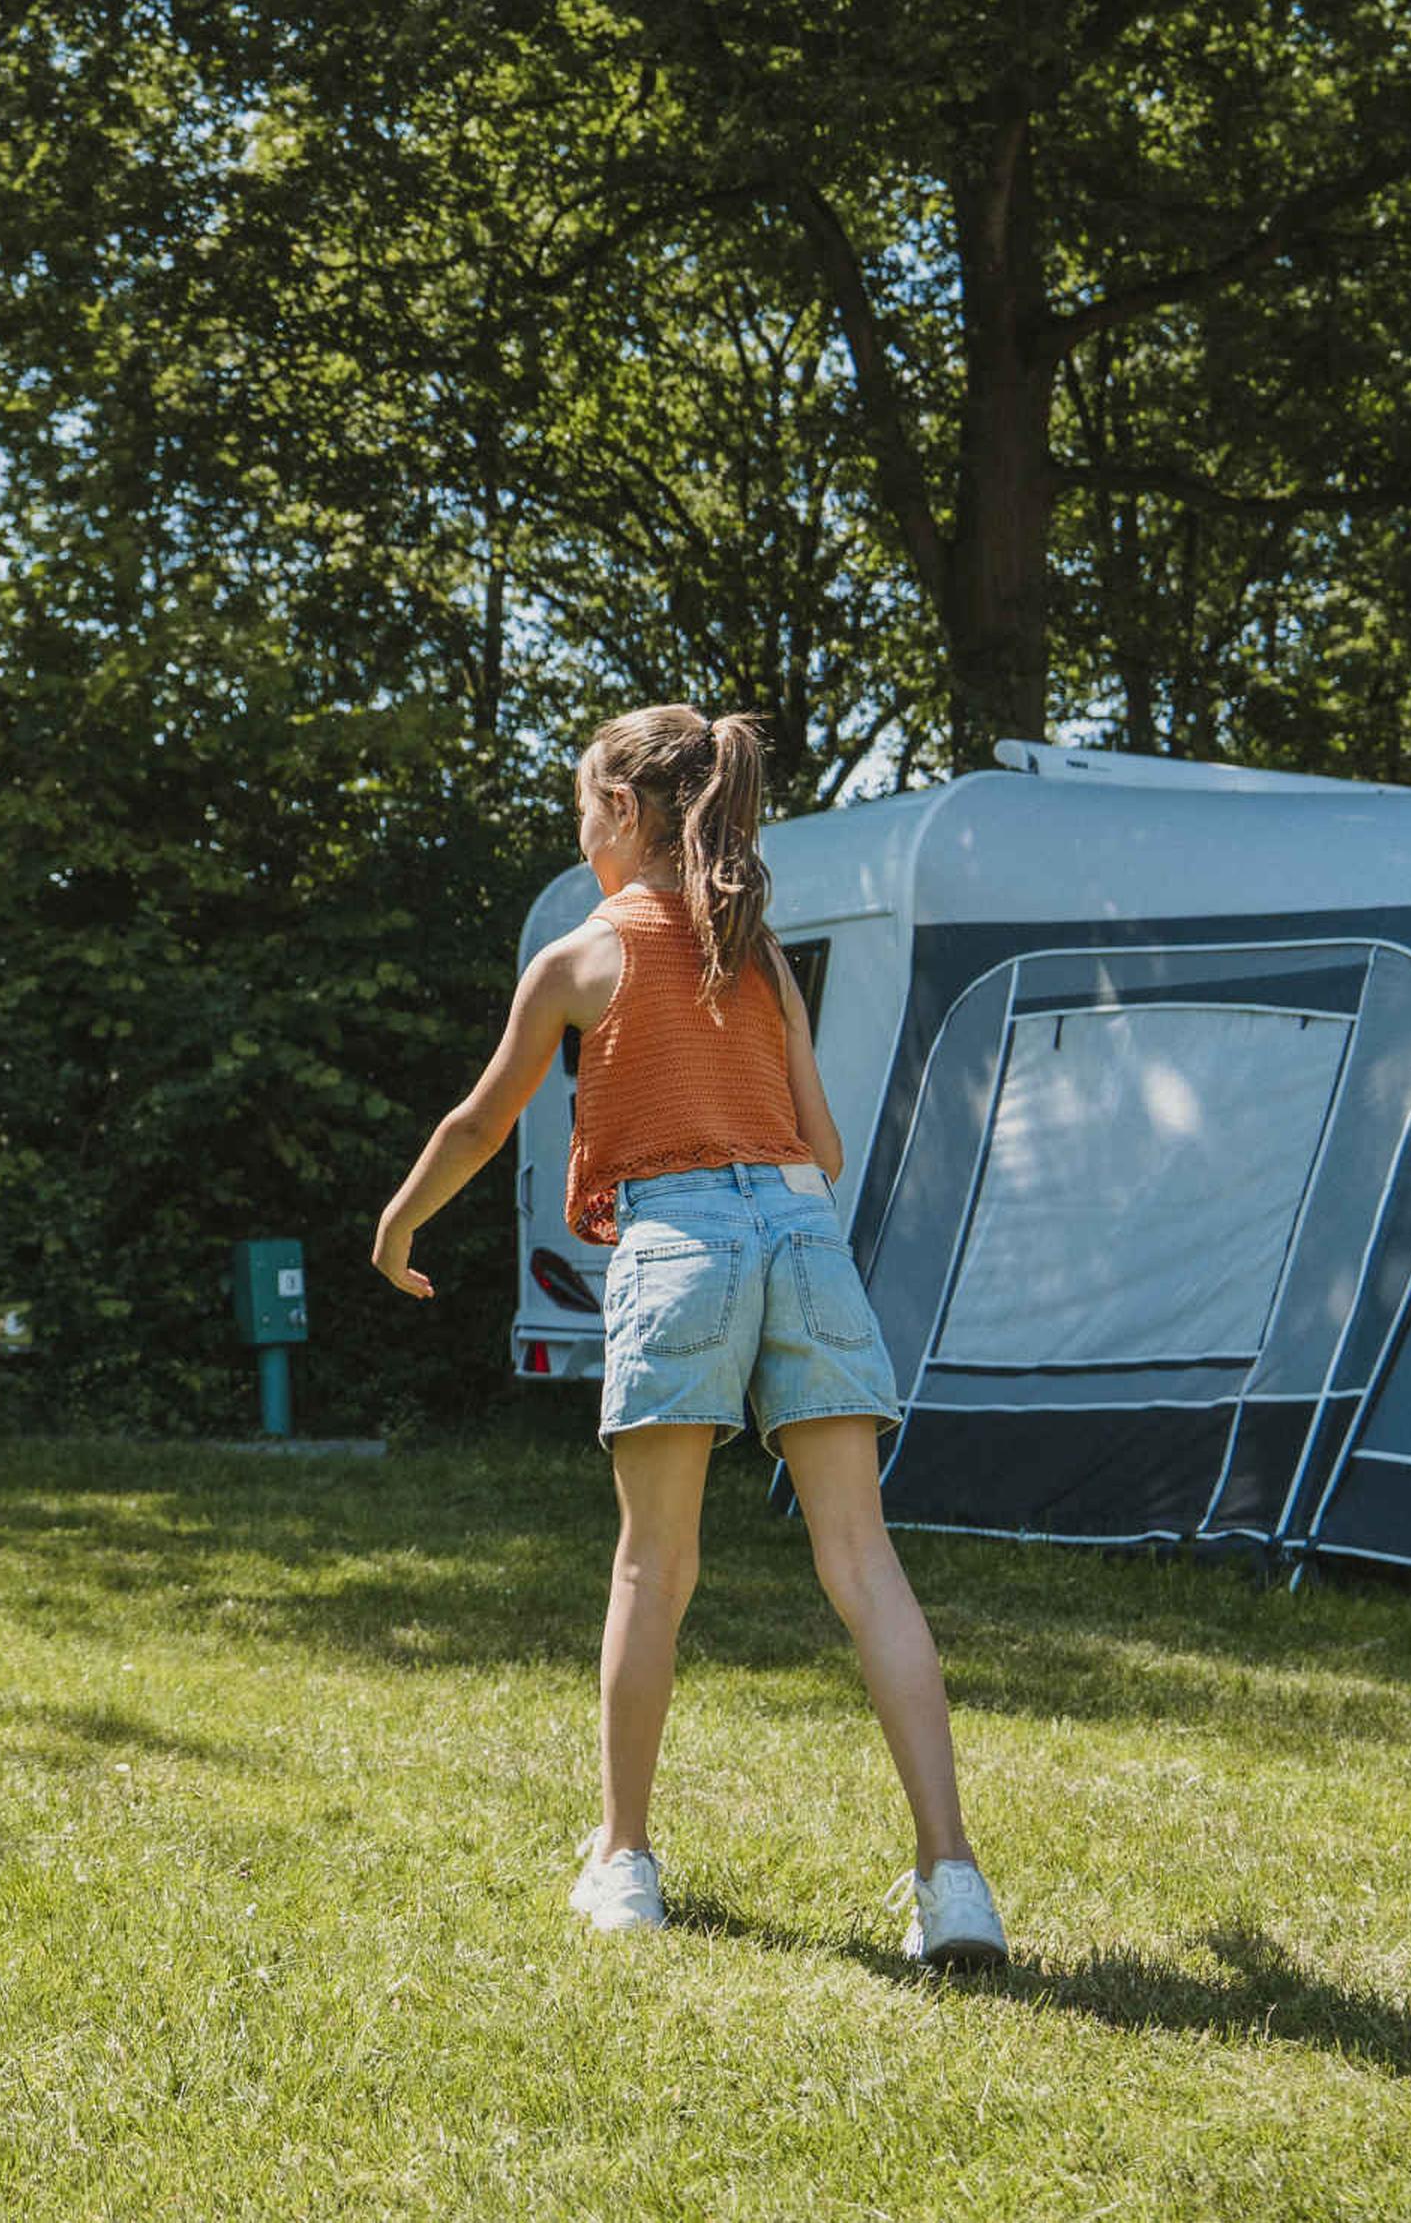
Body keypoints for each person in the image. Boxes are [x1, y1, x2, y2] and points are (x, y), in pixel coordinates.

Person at [369, 705, 1006, 1968]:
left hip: (682, 1241)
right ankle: (955, 1881)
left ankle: (624, 1861)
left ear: (620, 813)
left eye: (580, 811)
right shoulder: (761, 958)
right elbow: (821, 1148)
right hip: (804, 1231)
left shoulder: (579, 955)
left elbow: (479, 1124)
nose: (579, 833)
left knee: (655, 1567)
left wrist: (395, 1230)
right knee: (863, 1562)